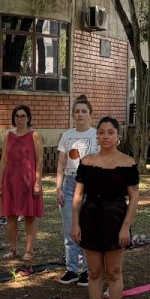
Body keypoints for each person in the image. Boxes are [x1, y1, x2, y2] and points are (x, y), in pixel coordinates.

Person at [71, 116, 139, 299]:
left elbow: (134, 198)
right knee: (94, 272)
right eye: (101, 132)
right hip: (90, 217)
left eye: (110, 132)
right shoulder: (87, 162)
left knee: (114, 272)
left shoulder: (128, 163)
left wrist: (125, 227)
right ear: (97, 136)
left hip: (115, 218)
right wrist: (75, 223)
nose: (106, 136)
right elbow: (78, 195)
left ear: (117, 136)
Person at [55, 95, 97, 285]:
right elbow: (61, 164)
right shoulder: (66, 135)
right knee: (69, 228)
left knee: (88, 228)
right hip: (70, 183)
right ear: (72, 115)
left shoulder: (96, 135)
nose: (80, 115)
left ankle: (87, 271)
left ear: (90, 115)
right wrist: (59, 188)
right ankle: (71, 269)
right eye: (77, 111)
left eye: (84, 111)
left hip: (89, 183)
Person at [0, 104, 44, 261]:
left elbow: (39, 160)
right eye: (17, 116)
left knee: (30, 216)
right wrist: (0, 182)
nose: (19, 119)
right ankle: (13, 249)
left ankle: (29, 251)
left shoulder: (34, 136)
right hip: (10, 181)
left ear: (28, 118)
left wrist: (37, 182)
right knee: (10, 216)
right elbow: (4, 159)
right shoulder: (8, 136)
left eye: (23, 116)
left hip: (29, 181)